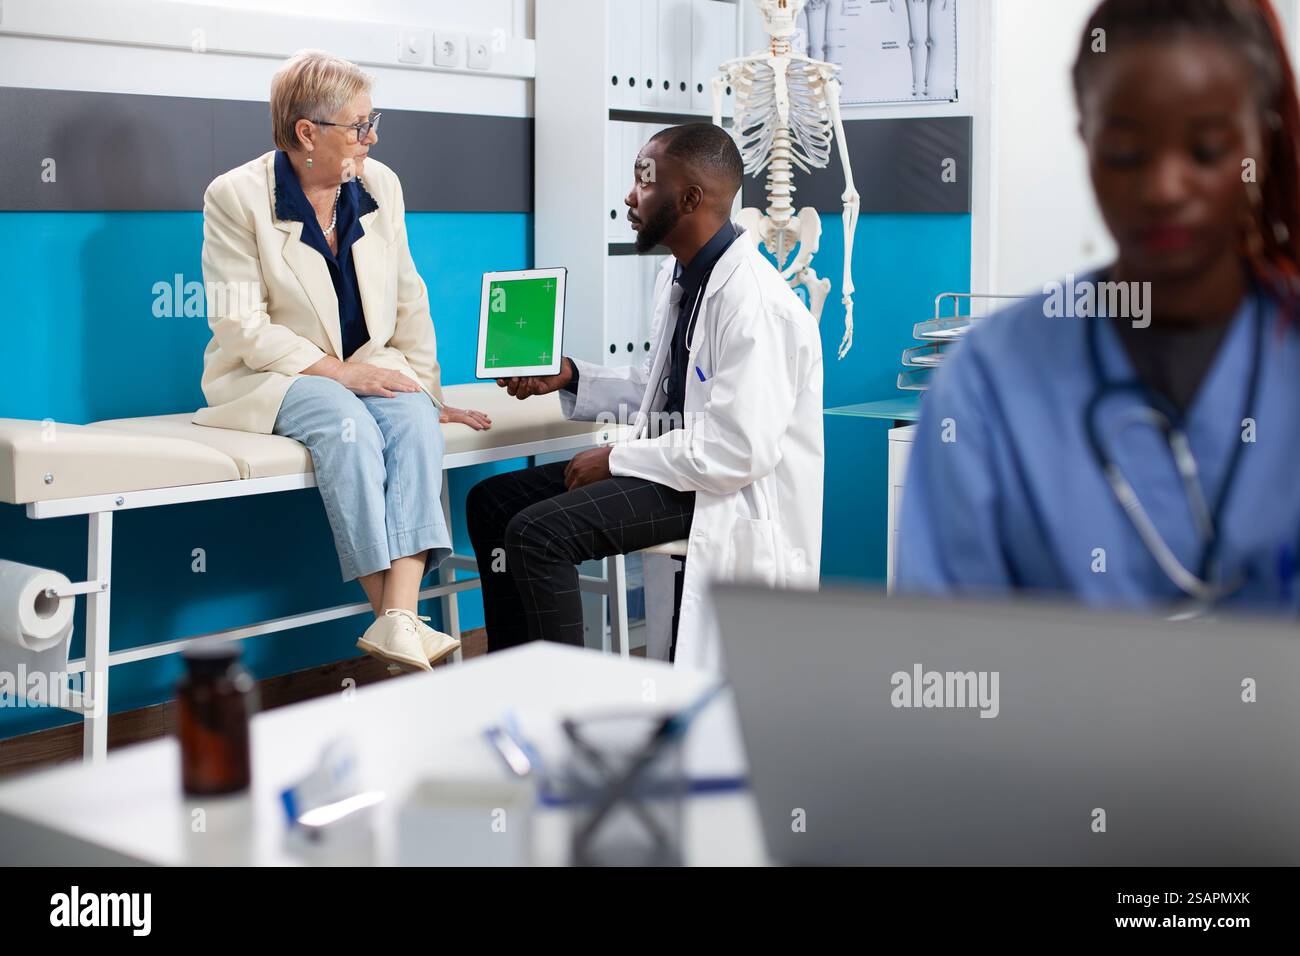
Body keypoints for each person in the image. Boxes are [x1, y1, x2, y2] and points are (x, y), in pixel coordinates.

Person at [899, 0, 1300, 614]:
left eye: (1207, 150)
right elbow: (943, 659)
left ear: (1261, 142)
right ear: (1085, 138)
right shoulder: (991, 380)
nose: (1164, 189)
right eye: (1126, 153)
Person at [466, 123, 824, 669]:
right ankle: (512, 680)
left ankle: (558, 704)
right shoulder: (681, 277)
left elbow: (737, 451)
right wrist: (570, 376)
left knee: (539, 535)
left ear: (689, 198)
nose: (630, 197)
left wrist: (615, 458)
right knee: (491, 503)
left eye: (644, 182)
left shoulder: (755, 305)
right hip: (678, 463)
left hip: (722, 490)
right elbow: (661, 391)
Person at [196, 50, 492, 671]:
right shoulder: (236, 197)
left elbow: (410, 297)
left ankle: (397, 620)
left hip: (368, 360)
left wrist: (429, 396)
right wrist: (343, 373)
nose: (372, 137)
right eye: (359, 126)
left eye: (371, 121)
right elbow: (240, 325)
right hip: (273, 375)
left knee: (409, 415)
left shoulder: (379, 184)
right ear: (308, 133)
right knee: (342, 419)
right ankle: (397, 617)